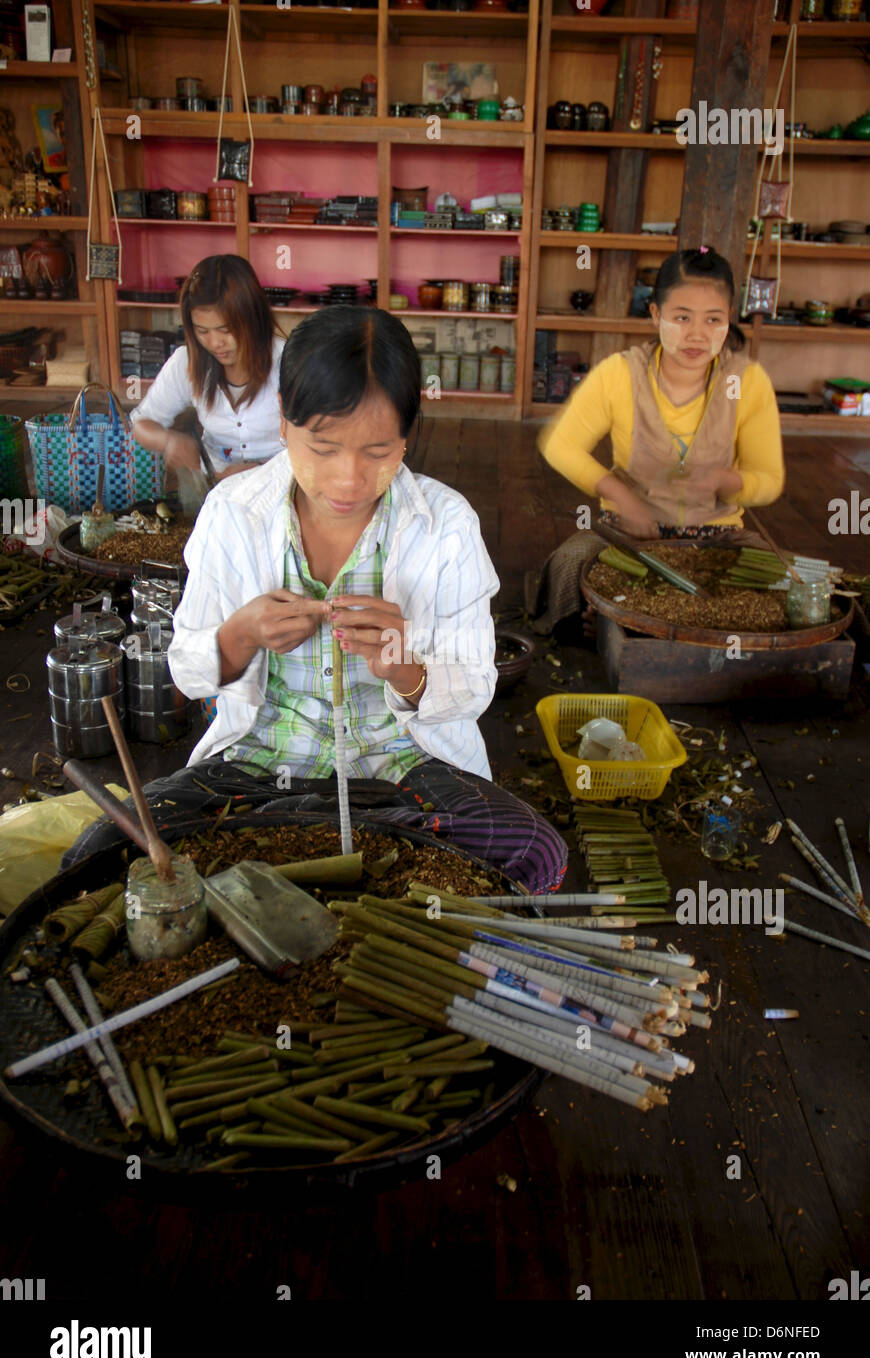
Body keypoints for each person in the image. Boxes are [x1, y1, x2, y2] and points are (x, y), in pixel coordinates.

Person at [68, 307, 568, 896]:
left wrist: (405, 669)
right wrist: (242, 634)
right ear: (283, 421)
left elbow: (476, 683)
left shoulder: (445, 524)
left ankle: (336, 857)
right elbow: (189, 669)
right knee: (97, 854)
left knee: (535, 854)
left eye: (378, 451)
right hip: (258, 768)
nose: (349, 480)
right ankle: (346, 862)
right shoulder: (235, 514)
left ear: (408, 435)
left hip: (403, 771)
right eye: (323, 448)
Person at [527, 246, 785, 632]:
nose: (697, 334)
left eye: (713, 319)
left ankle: (619, 617)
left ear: (729, 319)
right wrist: (624, 497)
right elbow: (559, 445)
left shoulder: (746, 382)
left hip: (719, 538)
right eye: (681, 317)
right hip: (629, 535)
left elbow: (769, 479)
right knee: (569, 565)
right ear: (655, 315)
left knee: (785, 586)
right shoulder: (620, 374)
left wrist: (730, 482)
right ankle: (605, 620)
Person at [130, 254, 284, 486]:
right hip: (215, 490)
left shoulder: (287, 361)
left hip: (281, 487)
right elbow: (141, 424)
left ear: (253, 319)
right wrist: (169, 440)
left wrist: (260, 470)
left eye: (225, 330)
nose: (215, 343)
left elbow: (317, 442)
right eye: (203, 331)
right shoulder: (187, 362)